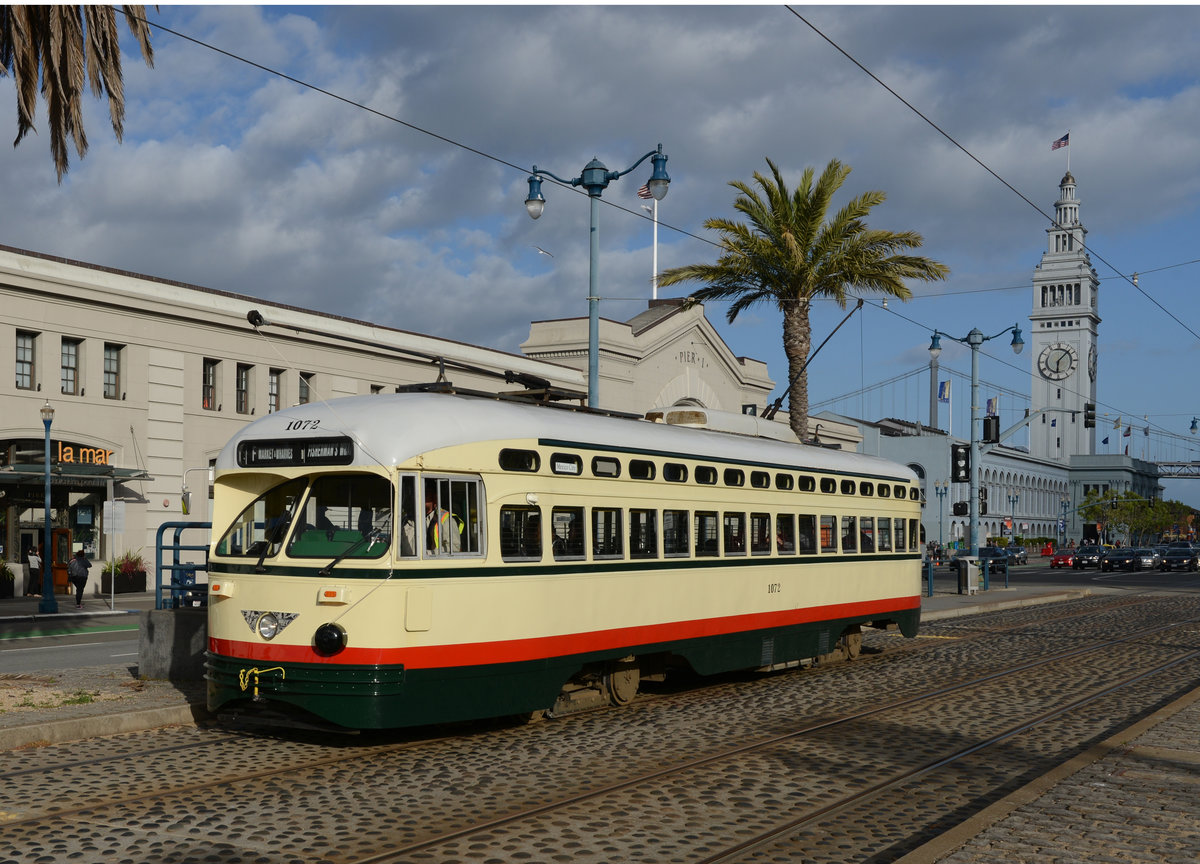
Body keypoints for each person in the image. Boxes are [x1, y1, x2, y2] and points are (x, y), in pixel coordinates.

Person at [425, 485, 461, 554]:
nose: (422, 498)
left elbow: (454, 548)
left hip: (435, 562)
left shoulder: (446, 519)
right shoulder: (410, 520)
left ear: (435, 499)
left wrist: (428, 554)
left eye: (426, 494)